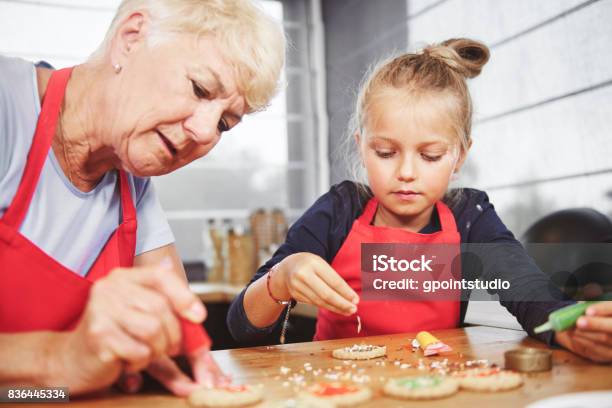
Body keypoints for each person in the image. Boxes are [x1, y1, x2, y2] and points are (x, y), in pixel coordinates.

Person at [227, 38, 612, 363]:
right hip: (340, 390)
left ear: (459, 156)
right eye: (385, 152)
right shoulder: (339, 212)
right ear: (362, 148)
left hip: (437, 385)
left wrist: (571, 327)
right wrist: (281, 279)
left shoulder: (469, 218)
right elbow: (241, 327)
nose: (406, 172)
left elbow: (529, 293)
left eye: (429, 156)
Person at [0, 0, 284, 396]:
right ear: (130, 39)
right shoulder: (6, 106)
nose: (205, 134)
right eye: (200, 88)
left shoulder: (133, 183)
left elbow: (182, 337)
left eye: (223, 123)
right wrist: (58, 360)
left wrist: (179, 354)